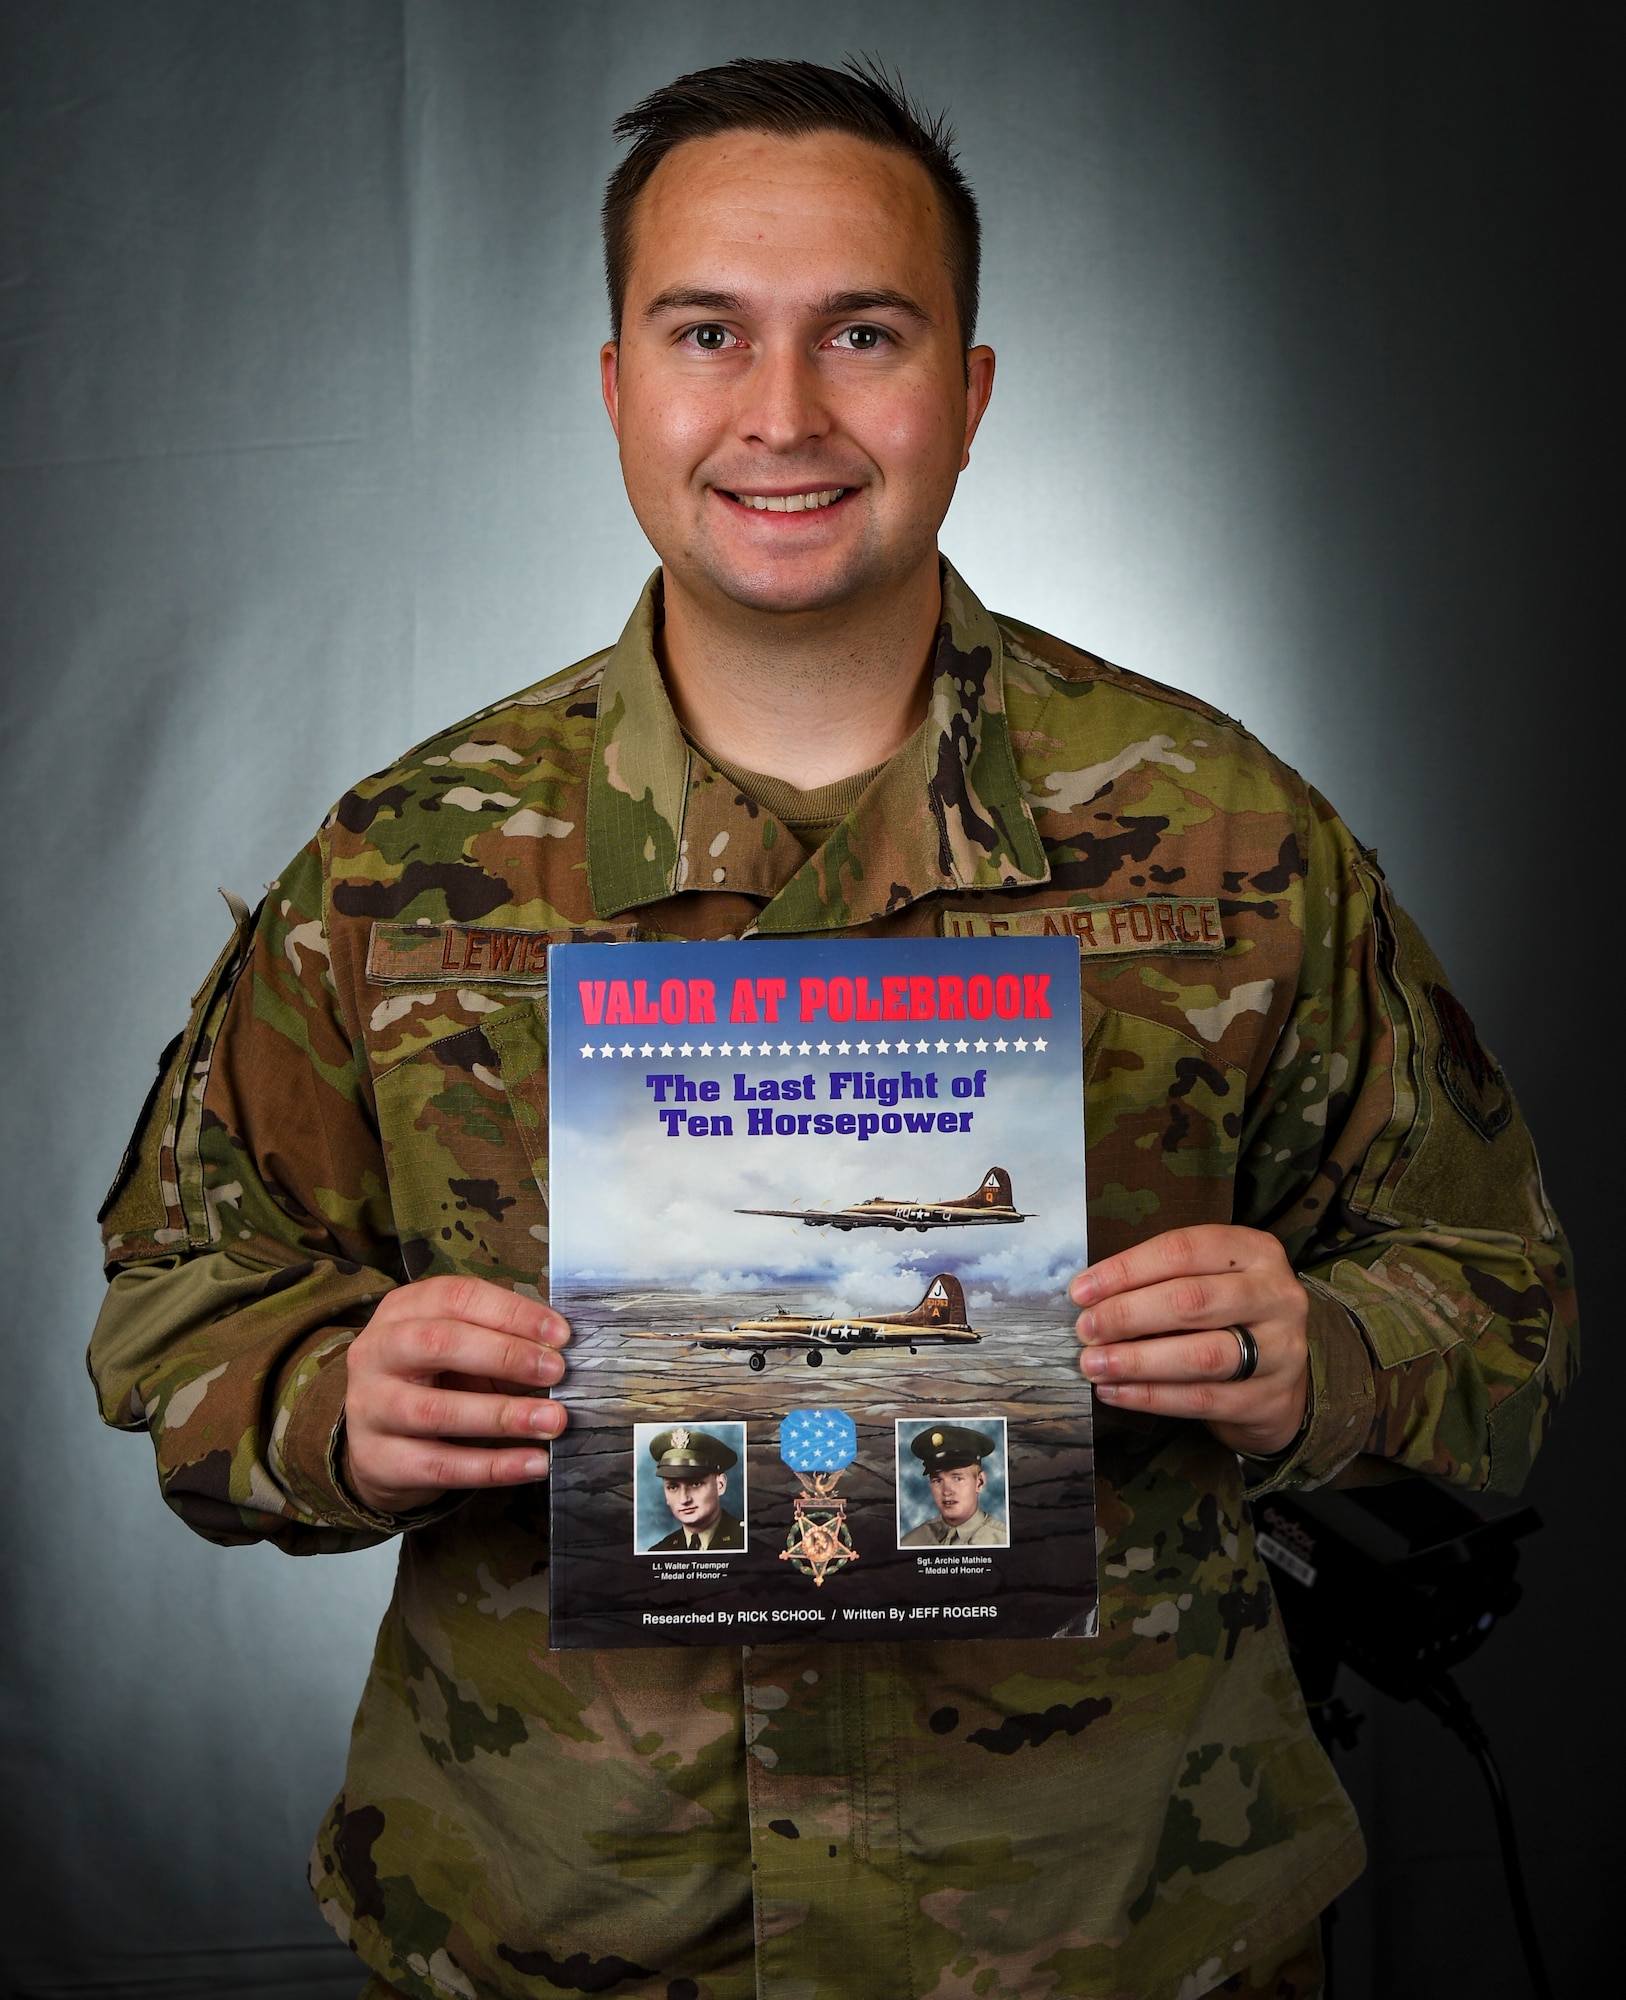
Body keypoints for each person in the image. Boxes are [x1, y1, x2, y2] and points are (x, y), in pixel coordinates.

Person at [88, 56, 1575, 2000]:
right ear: (619, 382)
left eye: (861, 333)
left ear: (964, 390)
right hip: (570, 1932)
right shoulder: (400, 871)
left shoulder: (1223, 837)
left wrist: (1327, 1357)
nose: (782, 414)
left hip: (1113, 1933)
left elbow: (1501, 1297)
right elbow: (176, 1307)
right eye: (710, 333)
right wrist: (330, 1406)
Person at [899, 1424, 1008, 1546]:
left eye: (957, 1478)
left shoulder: (1003, 1539)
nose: (946, 1491)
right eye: (937, 1480)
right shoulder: (911, 1542)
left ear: (980, 1482)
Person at [645, 1426, 745, 1551]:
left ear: (720, 1485)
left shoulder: (746, 1540)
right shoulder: (660, 1550)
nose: (684, 1499)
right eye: (673, 1487)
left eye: (696, 1484)